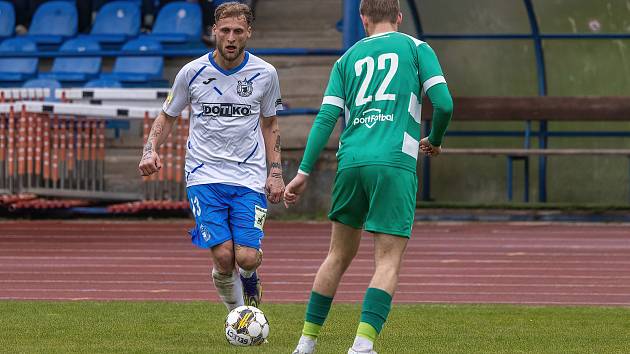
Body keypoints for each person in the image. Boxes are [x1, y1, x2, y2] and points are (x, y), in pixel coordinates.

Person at [284, 0, 453, 353]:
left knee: (336, 255)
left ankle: (306, 342)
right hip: (393, 161)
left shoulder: (346, 60)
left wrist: (302, 173)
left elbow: (326, 119)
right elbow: (445, 103)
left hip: (351, 161)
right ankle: (362, 344)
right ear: (399, 17)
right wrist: (434, 141)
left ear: (363, 18)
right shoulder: (416, 47)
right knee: (387, 259)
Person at [138, 2, 284, 311]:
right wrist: (150, 149)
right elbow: (167, 116)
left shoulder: (265, 74)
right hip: (204, 174)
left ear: (249, 34)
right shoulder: (192, 72)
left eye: (238, 32)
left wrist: (276, 172)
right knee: (222, 256)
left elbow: (270, 123)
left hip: (250, 176)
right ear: (213, 32)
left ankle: (250, 277)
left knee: (245, 257)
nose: (231, 38)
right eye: (226, 31)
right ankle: (238, 315)